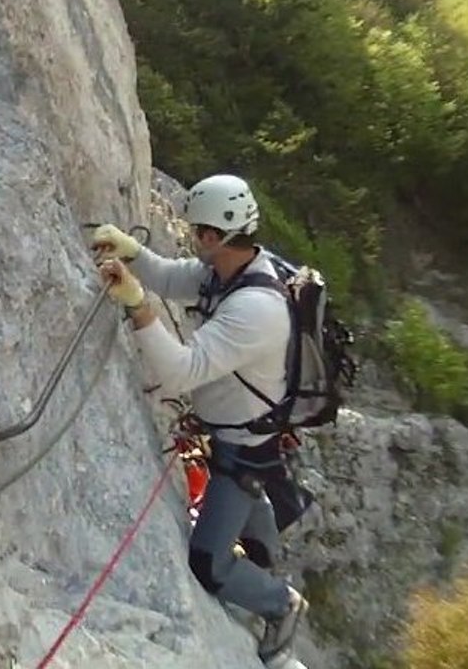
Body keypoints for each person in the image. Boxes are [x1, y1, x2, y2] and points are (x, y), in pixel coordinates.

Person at [92, 174, 308, 662]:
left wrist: (136, 305)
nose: (192, 238)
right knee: (252, 530)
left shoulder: (256, 307)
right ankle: (262, 557)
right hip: (240, 437)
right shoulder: (234, 268)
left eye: (196, 232)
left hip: (244, 452)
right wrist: (132, 254)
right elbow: (173, 277)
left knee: (209, 562)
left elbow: (178, 373)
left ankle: (281, 604)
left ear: (213, 237)